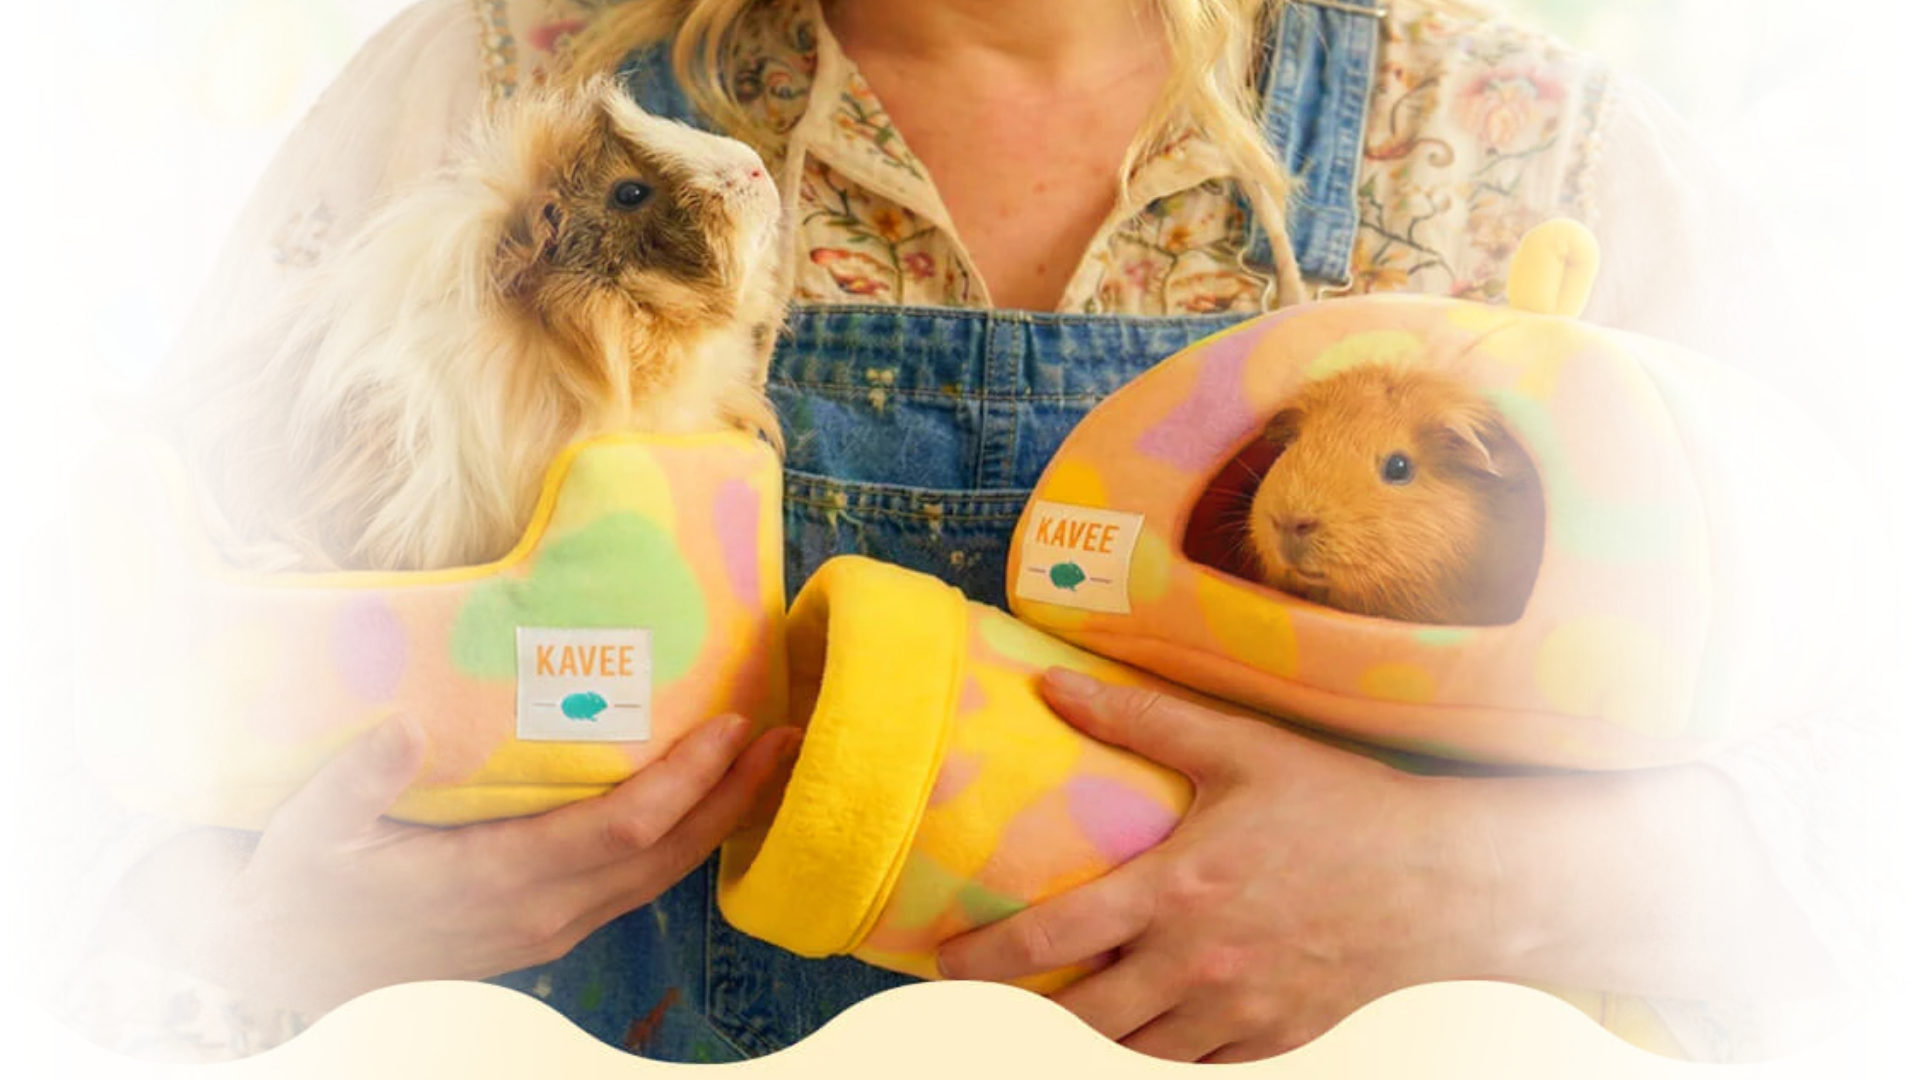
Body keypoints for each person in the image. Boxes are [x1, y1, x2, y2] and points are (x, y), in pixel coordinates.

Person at [50, 0, 1887, 1065]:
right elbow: (80, 719)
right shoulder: (490, 96)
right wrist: (271, 931)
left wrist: (1478, 883)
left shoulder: (1516, 146)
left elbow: (1877, 798)